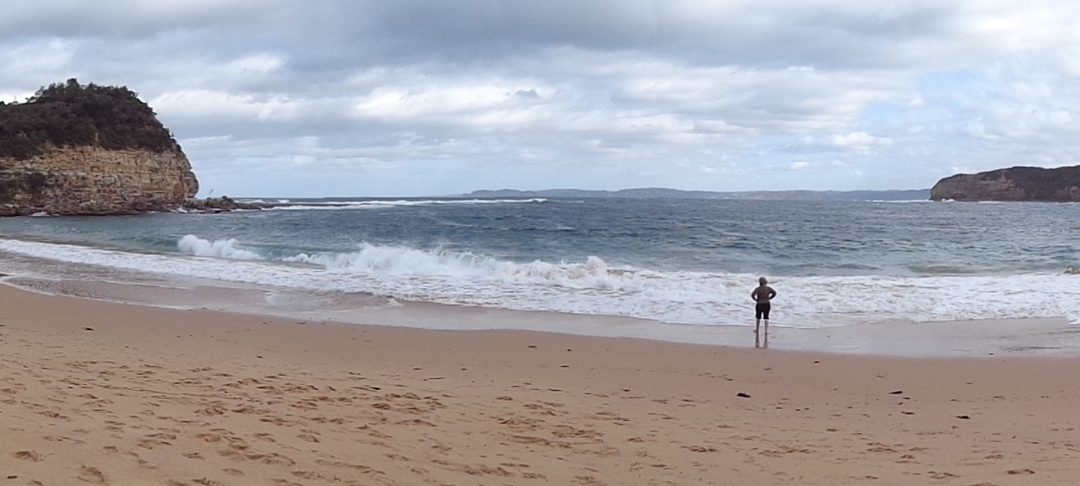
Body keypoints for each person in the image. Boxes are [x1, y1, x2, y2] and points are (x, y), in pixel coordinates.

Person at [751, 276, 776, 348]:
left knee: (758, 317)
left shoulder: (758, 289)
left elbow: (752, 295)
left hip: (759, 303)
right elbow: (774, 293)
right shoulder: (768, 288)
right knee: (766, 317)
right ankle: (766, 330)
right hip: (767, 303)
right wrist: (770, 298)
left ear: (759, 282)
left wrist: (756, 299)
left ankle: (757, 329)